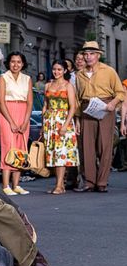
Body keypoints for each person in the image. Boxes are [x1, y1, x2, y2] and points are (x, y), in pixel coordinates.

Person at [73, 41, 125, 193]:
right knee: (86, 147)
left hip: (105, 107)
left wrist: (113, 104)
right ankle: (89, 182)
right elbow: (77, 98)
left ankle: (102, 181)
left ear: (98, 55)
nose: (88, 57)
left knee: (105, 145)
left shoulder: (108, 71)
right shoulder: (80, 74)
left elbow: (120, 92)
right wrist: (77, 120)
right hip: (86, 108)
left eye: (91, 54)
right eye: (86, 54)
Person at [0, 52, 33, 196]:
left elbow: (30, 102)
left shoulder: (27, 79)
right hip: (7, 112)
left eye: (19, 62)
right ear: (8, 63)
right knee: (8, 146)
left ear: (23, 64)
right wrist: (11, 122)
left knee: (20, 148)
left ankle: (16, 184)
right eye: (13, 61)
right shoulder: (3, 78)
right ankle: (6, 185)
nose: (16, 64)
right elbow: (0, 101)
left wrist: (25, 121)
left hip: (23, 111)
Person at [43, 60, 79, 195]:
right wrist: (43, 125)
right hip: (50, 121)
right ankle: (59, 184)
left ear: (65, 71)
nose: (56, 72)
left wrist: (66, 124)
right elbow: (45, 106)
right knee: (52, 153)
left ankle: (59, 185)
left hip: (63, 120)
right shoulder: (47, 85)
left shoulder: (68, 86)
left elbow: (73, 107)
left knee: (61, 153)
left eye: (59, 69)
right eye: (54, 69)